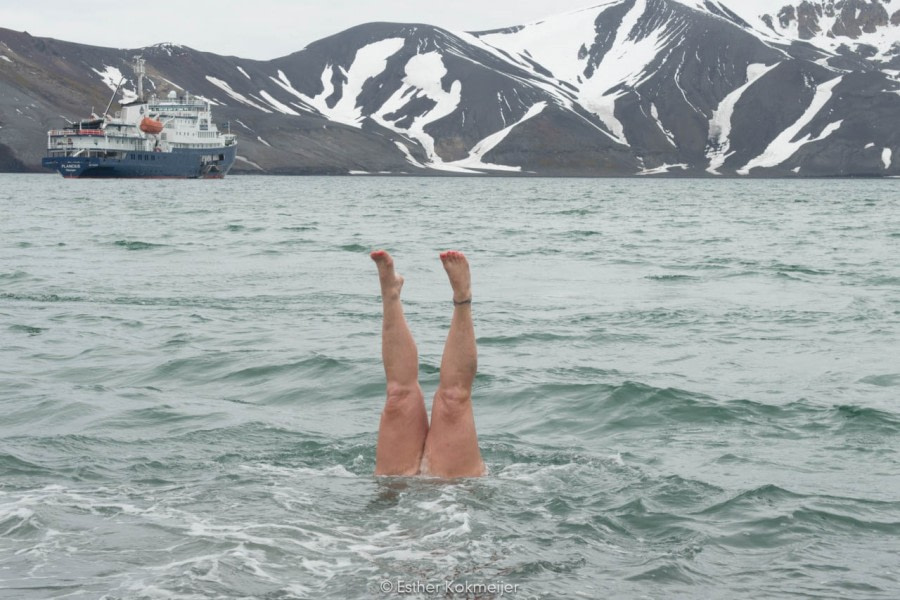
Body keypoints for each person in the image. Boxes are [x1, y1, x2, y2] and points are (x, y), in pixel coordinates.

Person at [370, 249, 485, 478]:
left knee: (454, 399)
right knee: (398, 396)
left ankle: (463, 297)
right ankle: (390, 293)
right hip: (399, 498)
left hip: (452, 496)